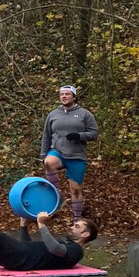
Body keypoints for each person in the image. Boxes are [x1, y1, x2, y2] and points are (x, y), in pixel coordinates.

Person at [41, 85, 98, 221]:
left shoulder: (85, 114)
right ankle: (57, 197)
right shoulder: (53, 114)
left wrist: (79, 136)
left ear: (74, 96)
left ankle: (77, 219)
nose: (64, 97)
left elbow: (94, 134)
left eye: (67, 94)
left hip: (77, 155)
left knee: (76, 189)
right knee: (49, 163)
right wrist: (43, 155)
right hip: (58, 151)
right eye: (62, 94)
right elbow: (46, 135)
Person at [0, 212, 98, 271]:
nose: (71, 227)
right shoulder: (69, 245)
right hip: (20, 255)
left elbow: (55, 249)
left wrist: (41, 224)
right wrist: (23, 225)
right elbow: (28, 245)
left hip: (20, 257)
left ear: (85, 234)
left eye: (77, 227)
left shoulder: (76, 251)